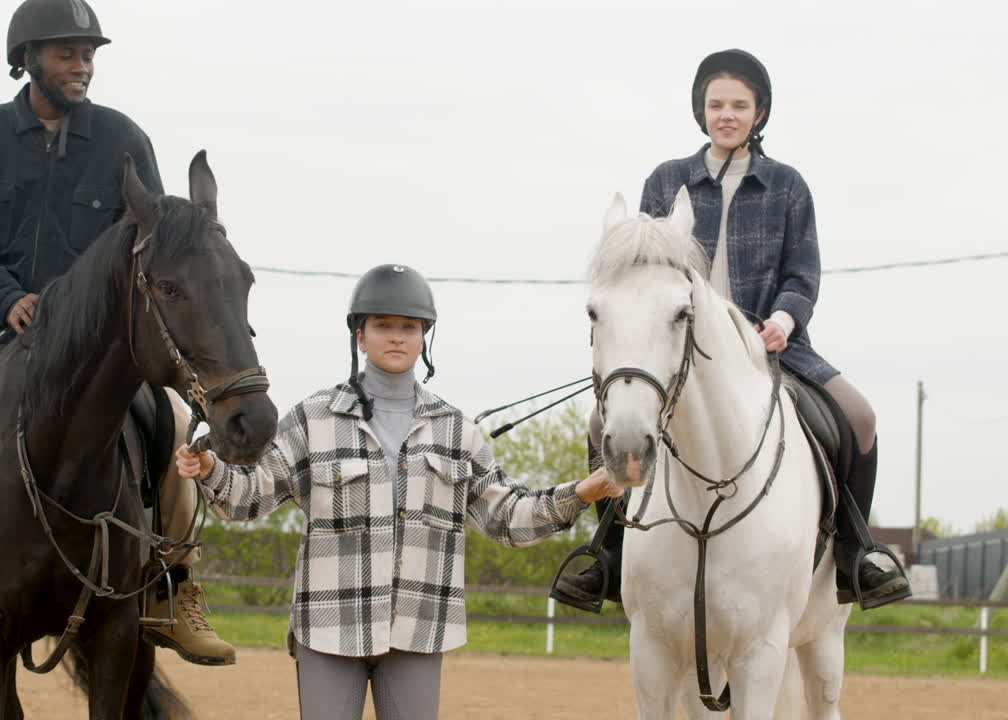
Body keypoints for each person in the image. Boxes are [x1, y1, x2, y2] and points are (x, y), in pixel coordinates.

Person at [0, 0, 235, 666]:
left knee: (173, 428)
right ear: (27, 59)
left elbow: (145, 246)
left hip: (95, 343)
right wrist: (6, 299)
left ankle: (174, 587)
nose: (82, 65)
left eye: (89, 54)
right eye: (68, 53)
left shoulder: (124, 140)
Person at [175, 264, 623, 719]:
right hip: (330, 628)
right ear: (360, 336)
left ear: (424, 336)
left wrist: (584, 491)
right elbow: (251, 493)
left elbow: (506, 517)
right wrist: (211, 470)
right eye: (383, 326)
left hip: (420, 630)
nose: (396, 337)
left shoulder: (455, 430)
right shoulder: (314, 418)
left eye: (408, 327)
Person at [555, 48, 912, 611]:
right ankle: (611, 552)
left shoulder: (787, 186)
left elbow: (803, 271)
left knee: (860, 416)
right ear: (702, 112)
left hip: (772, 347)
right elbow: (639, 272)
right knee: (602, 419)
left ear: (759, 113)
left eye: (739, 105)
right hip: (677, 352)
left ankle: (853, 553)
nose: (727, 114)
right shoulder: (666, 180)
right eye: (716, 104)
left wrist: (784, 319)